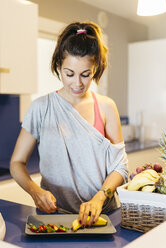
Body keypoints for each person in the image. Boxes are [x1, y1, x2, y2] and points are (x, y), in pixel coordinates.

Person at [10, 21, 128, 228]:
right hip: (54, 216)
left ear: (95, 69)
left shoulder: (106, 107)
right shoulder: (40, 108)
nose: (77, 83)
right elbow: (16, 163)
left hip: (104, 215)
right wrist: (35, 191)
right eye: (69, 74)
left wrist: (100, 197)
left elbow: (121, 166)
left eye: (86, 74)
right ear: (58, 66)